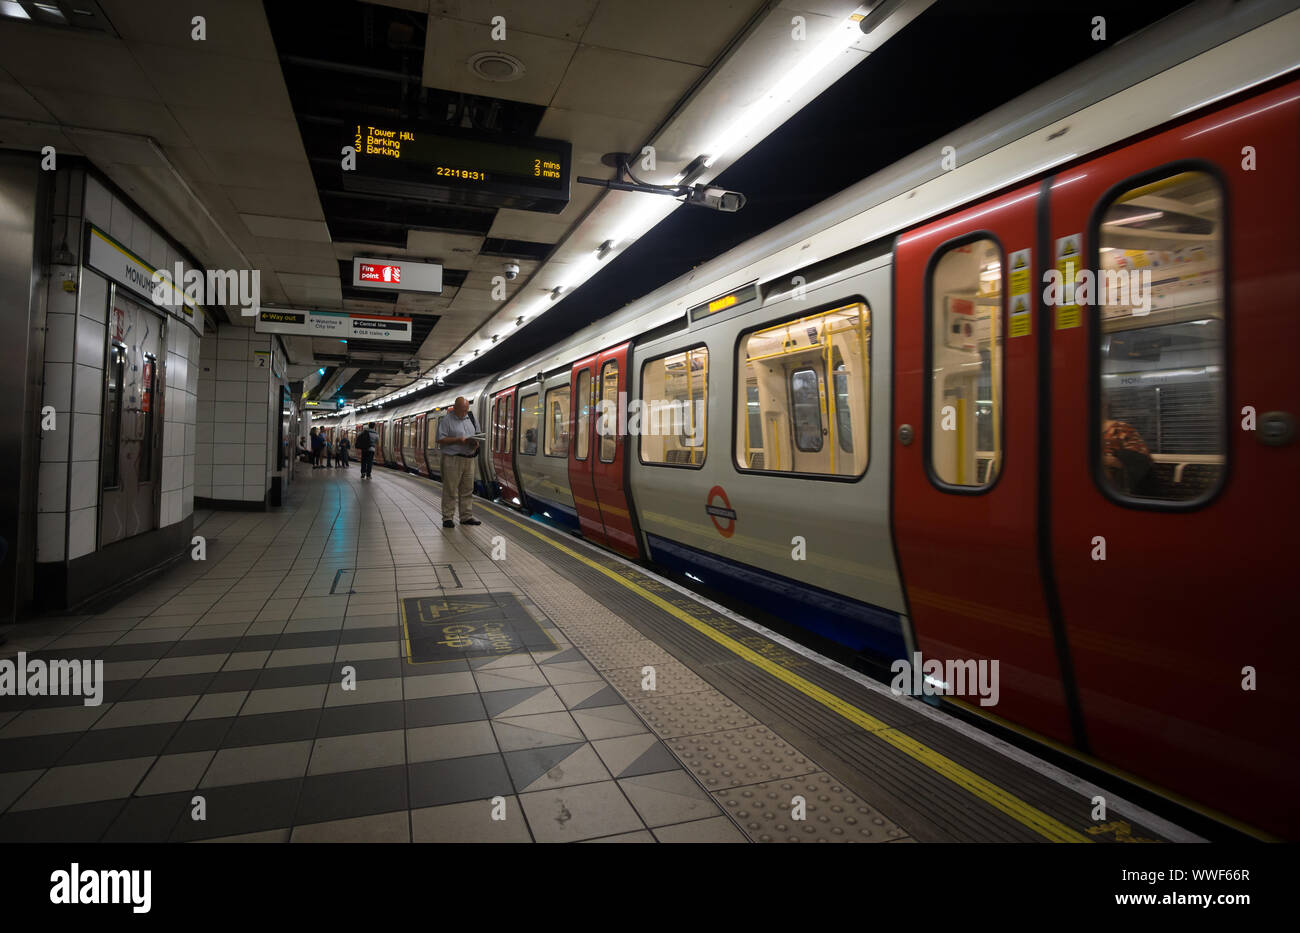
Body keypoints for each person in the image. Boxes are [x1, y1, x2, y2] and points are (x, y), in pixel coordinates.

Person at [435, 397, 481, 527]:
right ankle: (447, 518)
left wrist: (476, 443)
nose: (464, 412)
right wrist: (458, 440)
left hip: (469, 459)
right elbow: (440, 439)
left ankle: (466, 516)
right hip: (452, 458)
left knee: (467, 489)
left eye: (466, 410)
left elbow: (477, 434)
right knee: (450, 489)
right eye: (462, 410)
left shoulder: (471, 418)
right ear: (455, 408)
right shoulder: (446, 420)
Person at [1101, 400, 1153, 494]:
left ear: (1105, 407)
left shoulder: (1122, 429)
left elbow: (1142, 463)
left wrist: (1113, 462)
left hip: (1115, 490)